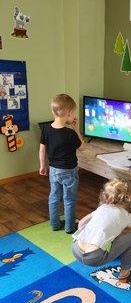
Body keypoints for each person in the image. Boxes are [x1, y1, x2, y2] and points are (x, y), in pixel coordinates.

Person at [72, 178, 131, 283]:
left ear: (106, 196)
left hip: (76, 250)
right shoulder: (125, 215)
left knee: (109, 232)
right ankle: (124, 276)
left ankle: (97, 251)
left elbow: (81, 223)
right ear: (126, 199)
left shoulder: (102, 208)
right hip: (94, 258)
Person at [39, 94, 85, 233]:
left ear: (54, 111)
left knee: (54, 197)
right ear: (69, 112)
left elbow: (42, 150)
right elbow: (82, 147)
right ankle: (69, 227)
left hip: (53, 170)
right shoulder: (70, 133)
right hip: (69, 171)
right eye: (73, 113)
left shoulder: (46, 129)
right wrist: (77, 130)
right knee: (69, 199)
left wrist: (42, 165)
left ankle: (55, 224)